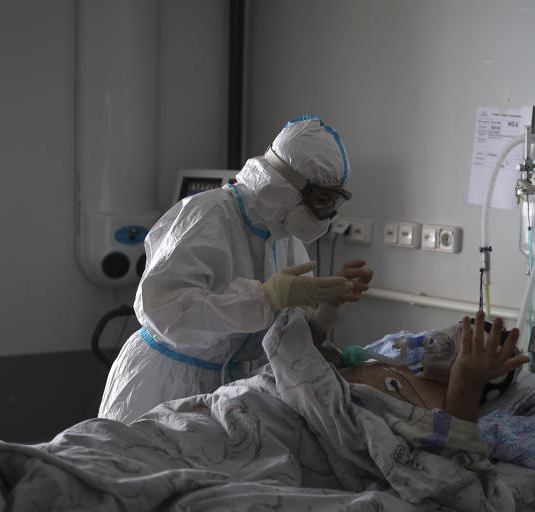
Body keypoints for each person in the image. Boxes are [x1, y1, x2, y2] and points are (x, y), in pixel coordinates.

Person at [100, 115, 373, 423]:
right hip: (168, 383)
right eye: (323, 200)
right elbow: (161, 311)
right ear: (285, 187)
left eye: (334, 202)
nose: (327, 215)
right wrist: (264, 298)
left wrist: (323, 317)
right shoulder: (206, 215)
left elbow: (282, 340)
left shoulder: (286, 238)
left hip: (234, 389)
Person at [337, 311, 529, 422]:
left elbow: (456, 456)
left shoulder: (448, 414)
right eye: (459, 329)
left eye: (467, 341)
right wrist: (320, 324)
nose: (450, 336)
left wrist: (465, 388)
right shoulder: (401, 369)